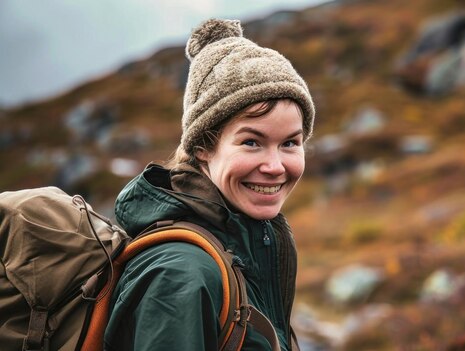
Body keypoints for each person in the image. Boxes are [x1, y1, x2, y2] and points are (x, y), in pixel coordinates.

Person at [103, 19, 315, 351]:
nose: (275, 167)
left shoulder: (251, 241)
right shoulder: (181, 275)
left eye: (289, 143)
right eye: (251, 143)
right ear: (203, 148)